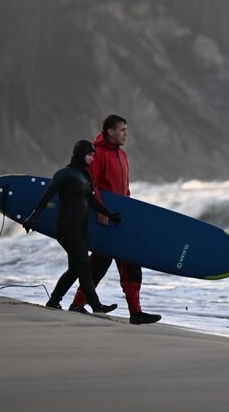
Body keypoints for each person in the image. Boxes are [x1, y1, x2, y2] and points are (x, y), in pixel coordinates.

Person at [68, 114, 163, 325]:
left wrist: (129, 211)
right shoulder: (98, 153)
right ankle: (132, 312)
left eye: (126, 130)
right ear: (110, 131)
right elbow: (91, 184)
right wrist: (100, 210)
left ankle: (80, 304)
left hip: (119, 216)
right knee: (117, 259)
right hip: (102, 215)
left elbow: (124, 189)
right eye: (122, 130)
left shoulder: (123, 155)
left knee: (108, 260)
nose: (125, 134)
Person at [22, 140, 122, 314]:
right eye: (90, 155)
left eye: (93, 155)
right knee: (84, 264)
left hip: (81, 229)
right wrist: (33, 217)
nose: (92, 158)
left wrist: (109, 214)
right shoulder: (63, 174)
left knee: (75, 269)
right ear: (80, 154)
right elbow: (47, 196)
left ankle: (54, 301)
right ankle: (95, 304)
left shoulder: (86, 176)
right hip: (66, 227)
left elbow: (93, 201)